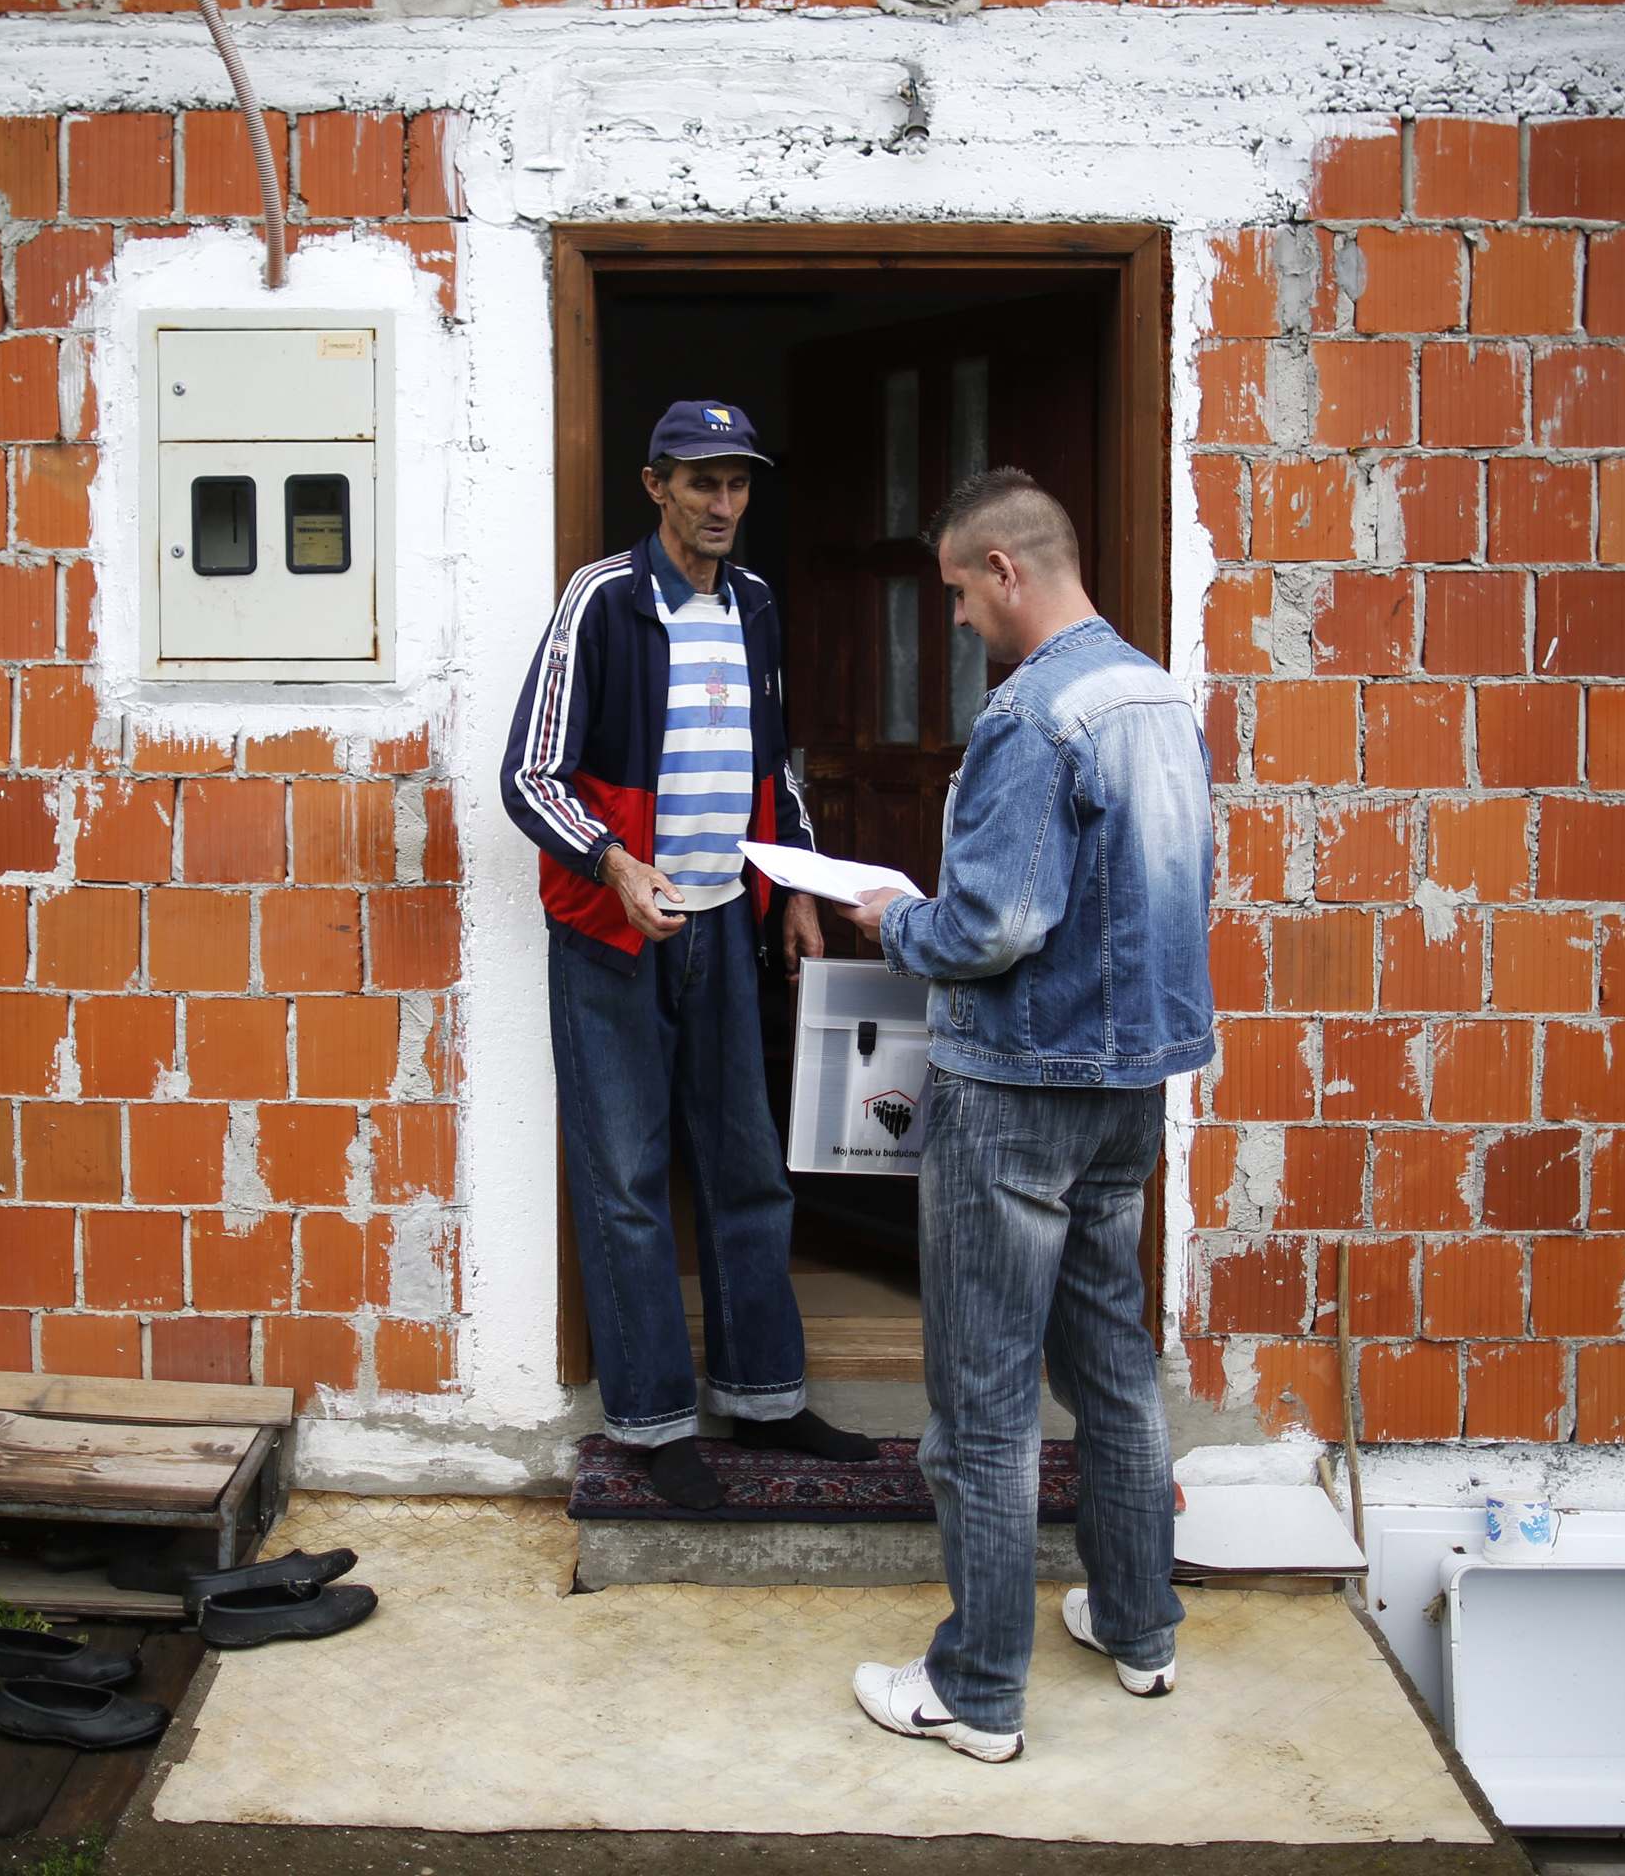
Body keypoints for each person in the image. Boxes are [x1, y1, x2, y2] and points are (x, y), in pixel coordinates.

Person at [840, 466, 1216, 1764]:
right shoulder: (1159, 697)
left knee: (984, 1403)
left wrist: (895, 919)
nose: (950, 617)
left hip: (1016, 1095)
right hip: (1130, 1092)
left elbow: (993, 926)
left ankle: (979, 1691)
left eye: (954, 589)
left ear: (1006, 569)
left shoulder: (1032, 717)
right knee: (1112, 1369)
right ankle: (1139, 1625)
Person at [501, 400, 878, 1509]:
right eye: (702, 482)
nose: (723, 504)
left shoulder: (755, 603)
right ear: (655, 484)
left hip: (723, 922)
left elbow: (775, 757)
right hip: (614, 933)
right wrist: (614, 864)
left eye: (739, 484)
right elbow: (531, 772)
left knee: (745, 1166)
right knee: (626, 1180)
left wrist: (795, 885)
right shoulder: (603, 599)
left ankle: (766, 1395)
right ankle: (657, 1424)